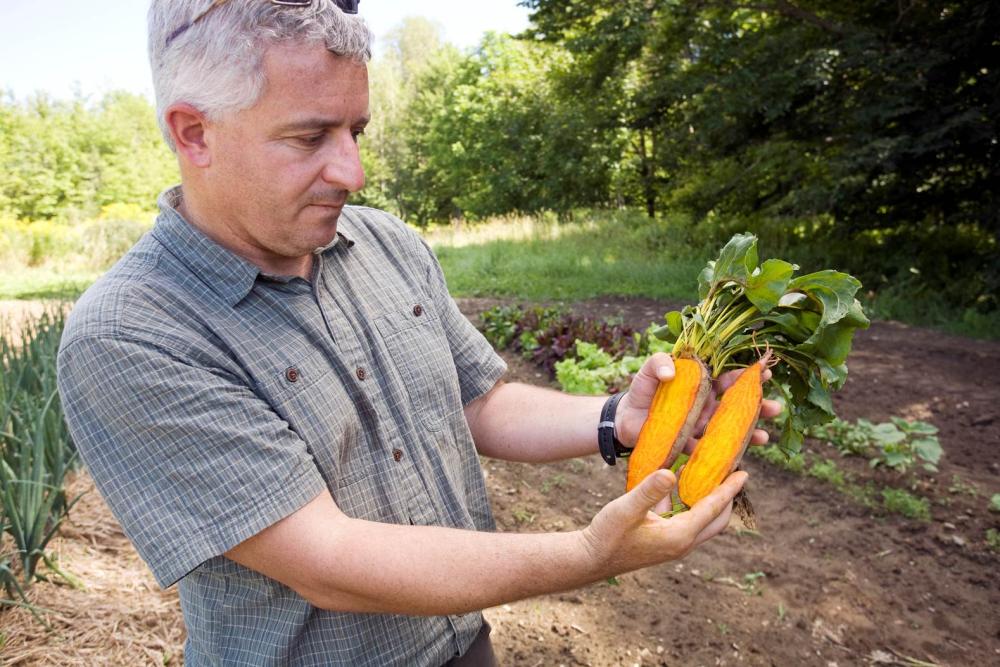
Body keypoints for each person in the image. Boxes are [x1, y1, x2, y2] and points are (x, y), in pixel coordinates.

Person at [56, 1, 781, 665]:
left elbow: (479, 403)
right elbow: (329, 561)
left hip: (464, 644)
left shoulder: (383, 243)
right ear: (194, 132)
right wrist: (589, 552)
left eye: (356, 130)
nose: (355, 170)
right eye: (310, 136)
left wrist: (621, 419)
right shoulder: (134, 332)